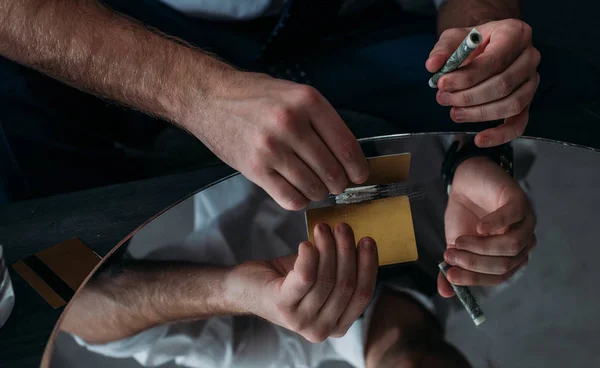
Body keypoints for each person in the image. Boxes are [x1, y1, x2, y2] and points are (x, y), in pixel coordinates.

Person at [0, 0, 547, 209]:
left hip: (346, 23)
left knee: (543, 82)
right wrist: (201, 95)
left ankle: (467, 184)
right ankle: (94, 279)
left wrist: (481, 38)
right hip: (158, 24)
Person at [59, 153, 535, 367]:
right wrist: (477, 159)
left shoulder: (261, 354)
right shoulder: (489, 263)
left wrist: (229, 291)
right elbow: (488, 125)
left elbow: (77, 310)